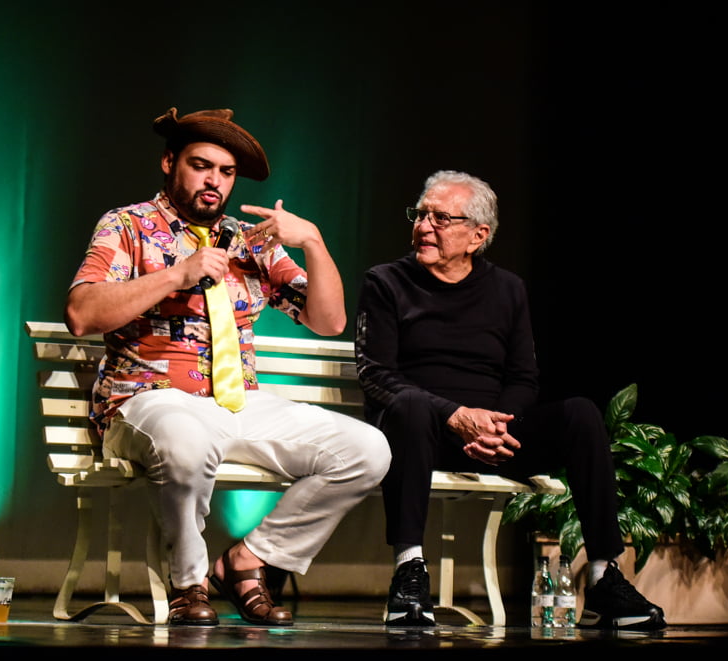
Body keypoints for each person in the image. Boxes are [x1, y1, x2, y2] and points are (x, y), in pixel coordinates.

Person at [64, 107, 390, 627]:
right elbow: (82, 314)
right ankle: (188, 585)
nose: (214, 181)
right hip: (146, 399)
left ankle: (247, 560)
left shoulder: (247, 241)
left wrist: (312, 241)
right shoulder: (127, 225)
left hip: (236, 402)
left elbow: (329, 321)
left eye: (226, 172)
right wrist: (177, 275)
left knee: (367, 450)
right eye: (201, 166)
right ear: (170, 163)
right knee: (186, 439)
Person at [354, 170, 667, 630]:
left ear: (478, 236)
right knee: (412, 407)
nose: (423, 226)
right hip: (420, 435)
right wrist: (455, 415)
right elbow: (376, 374)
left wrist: (495, 426)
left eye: (440, 218)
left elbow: (523, 377)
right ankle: (409, 571)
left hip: (496, 438)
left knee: (580, 414)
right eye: (420, 215)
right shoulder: (386, 282)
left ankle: (604, 577)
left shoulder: (507, 288)